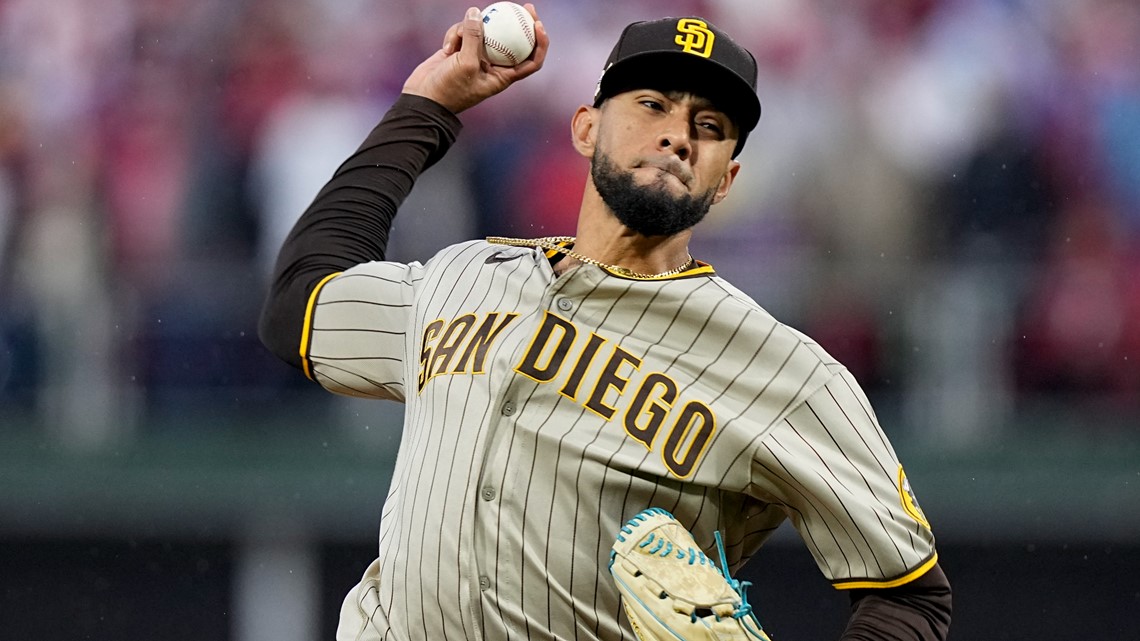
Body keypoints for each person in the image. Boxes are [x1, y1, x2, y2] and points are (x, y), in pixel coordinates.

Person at [259, 5, 952, 640]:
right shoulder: (460, 275)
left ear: (726, 180)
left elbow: (909, 593)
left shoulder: (786, 371)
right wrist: (428, 105)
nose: (678, 135)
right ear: (586, 129)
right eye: (653, 105)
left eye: (709, 128)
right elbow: (300, 304)